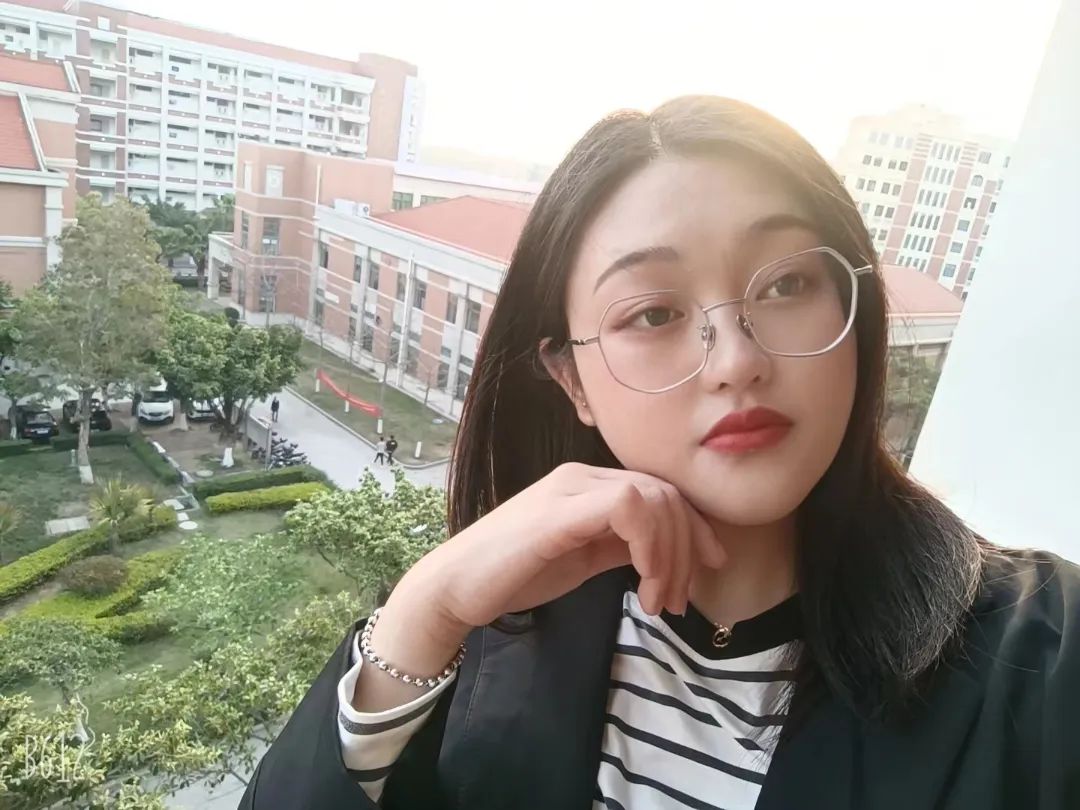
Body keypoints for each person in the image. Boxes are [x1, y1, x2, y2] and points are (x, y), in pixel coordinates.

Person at [241, 97, 1080, 810]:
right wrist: (423, 611)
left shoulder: (1044, 663)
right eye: (652, 314)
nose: (736, 360)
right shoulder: (497, 620)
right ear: (572, 380)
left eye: (787, 284)